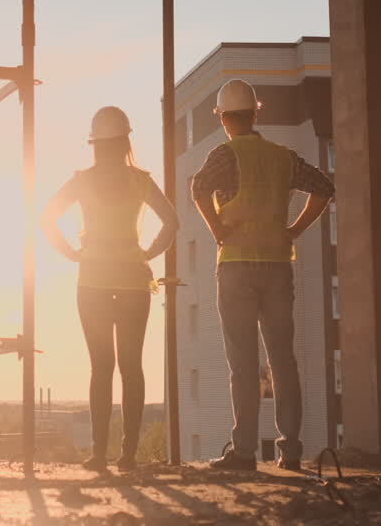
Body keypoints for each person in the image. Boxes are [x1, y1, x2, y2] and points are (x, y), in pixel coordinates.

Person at [190, 79, 335, 471]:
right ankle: (290, 451)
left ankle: (243, 452)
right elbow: (324, 187)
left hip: (236, 265)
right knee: (283, 360)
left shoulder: (225, 154)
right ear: (256, 113)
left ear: (223, 119)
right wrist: (296, 229)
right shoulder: (282, 157)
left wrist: (218, 231)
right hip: (276, 266)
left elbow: (198, 188)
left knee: (243, 362)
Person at [43, 106, 178, 471]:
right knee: (131, 367)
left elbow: (46, 217)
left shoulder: (82, 181)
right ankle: (129, 456)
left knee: (100, 367)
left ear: (94, 143)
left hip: (93, 282)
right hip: (134, 281)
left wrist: (71, 252)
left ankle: (99, 455)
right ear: (124, 141)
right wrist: (147, 253)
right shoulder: (140, 180)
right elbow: (171, 222)